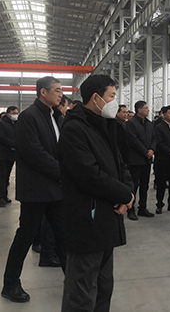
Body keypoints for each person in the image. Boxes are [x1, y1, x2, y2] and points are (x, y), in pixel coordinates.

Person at [58, 74, 134, 312]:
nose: (115, 102)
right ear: (96, 98)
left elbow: (120, 165)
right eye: (112, 96)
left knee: (103, 286)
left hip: (106, 218)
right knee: (82, 290)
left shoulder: (105, 125)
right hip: (87, 220)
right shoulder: (75, 129)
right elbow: (89, 175)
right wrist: (123, 195)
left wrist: (128, 194)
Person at [1, 77, 66, 303]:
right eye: (57, 90)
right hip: (36, 189)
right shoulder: (29, 117)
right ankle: (10, 283)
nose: (60, 94)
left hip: (54, 187)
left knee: (63, 234)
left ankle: (75, 280)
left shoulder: (53, 116)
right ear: (43, 92)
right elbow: (34, 153)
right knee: (26, 235)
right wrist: (63, 172)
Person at [124, 100, 156, 219]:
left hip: (147, 160)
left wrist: (152, 149)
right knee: (134, 185)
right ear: (139, 110)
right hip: (135, 160)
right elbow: (133, 141)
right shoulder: (131, 124)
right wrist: (145, 152)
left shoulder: (149, 123)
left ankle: (143, 208)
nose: (148, 110)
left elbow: (154, 138)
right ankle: (130, 209)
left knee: (145, 185)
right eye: (146, 108)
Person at [0, 106, 17, 207]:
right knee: (2, 177)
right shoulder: (1, 124)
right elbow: (1, 137)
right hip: (2, 154)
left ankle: (5, 195)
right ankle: (0, 197)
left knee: (7, 176)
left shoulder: (15, 124)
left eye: (16, 113)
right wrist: (13, 144)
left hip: (11, 154)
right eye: (13, 113)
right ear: (8, 114)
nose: (15, 115)